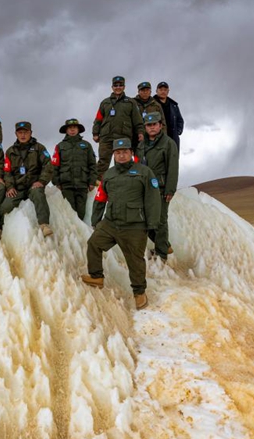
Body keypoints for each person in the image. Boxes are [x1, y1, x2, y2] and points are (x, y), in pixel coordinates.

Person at [82, 138, 160, 310]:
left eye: (125, 151)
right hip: (111, 223)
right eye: (118, 152)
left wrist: (152, 224)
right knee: (94, 244)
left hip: (135, 226)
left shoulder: (144, 172)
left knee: (135, 261)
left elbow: (153, 199)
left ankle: (139, 293)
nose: (121, 155)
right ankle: (96, 276)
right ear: (114, 155)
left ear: (131, 153)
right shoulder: (109, 174)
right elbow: (101, 197)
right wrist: (96, 220)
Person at [0, 121, 54, 236]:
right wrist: (10, 187)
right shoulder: (10, 151)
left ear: (31, 133)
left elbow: (48, 165)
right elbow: (7, 172)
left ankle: (44, 225)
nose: (23, 135)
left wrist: (41, 181)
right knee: (4, 207)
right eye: (20, 133)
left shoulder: (39, 148)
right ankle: (1, 229)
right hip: (17, 188)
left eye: (26, 132)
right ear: (16, 134)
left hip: (33, 186)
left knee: (38, 195)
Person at [142, 111, 179, 261]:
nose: (151, 127)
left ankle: (162, 255)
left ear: (160, 125)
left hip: (161, 189)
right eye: (148, 125)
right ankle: (164, 245)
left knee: (160, 221)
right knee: (146, 220)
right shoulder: (142, 144)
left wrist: (170, 189)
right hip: (145, 189)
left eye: (154, 124)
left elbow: (173, 168)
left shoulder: (168, 143)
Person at [92, 76, 144, 179]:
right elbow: (98, 119)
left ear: (124, 87)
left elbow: (137, 120)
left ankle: (122, 183)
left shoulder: (131, 102)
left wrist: (140, 132)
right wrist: (95, 133)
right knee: (103, 162)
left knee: (122, 162)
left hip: (123, 137)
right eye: (116, 85)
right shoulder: (105, 102)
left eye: (120, 85)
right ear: (112, 87)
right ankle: (98, 184)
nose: (118, 87)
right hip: (106, 137)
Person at [51, 118, 96, 221]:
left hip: (82, 184)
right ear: (66, 130)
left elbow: (92, 165)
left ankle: (80, 230)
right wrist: (56, 182)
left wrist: (92, 181)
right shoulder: (60, 146)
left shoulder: (87, 145)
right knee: (70, 212)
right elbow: (54, 165)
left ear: (78, 129)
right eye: (70, 128)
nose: (72, 130)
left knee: (81, 212)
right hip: (66, 185)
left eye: (74, 127)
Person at [154, 81, 185, 151]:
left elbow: (180, 120)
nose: (163, 92)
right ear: (156, 91)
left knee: (172, 156)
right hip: (157, 137)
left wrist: (177, 132)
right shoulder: (152, 104)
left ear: (168, 91)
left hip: (172, 137)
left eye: (165, 90)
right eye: (161, 90)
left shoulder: (174, 105)